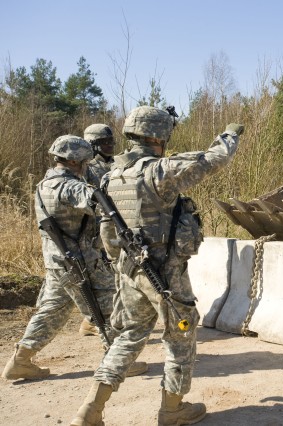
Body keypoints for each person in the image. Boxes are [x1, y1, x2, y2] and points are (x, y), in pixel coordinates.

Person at [70, 106, 243, 426]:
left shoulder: (112, 177)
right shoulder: (160, 171)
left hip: (131, 272)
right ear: (157, 136)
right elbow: (212, 160)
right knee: (182, 332)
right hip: (165, 275)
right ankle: (172, 409)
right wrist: (229, 136)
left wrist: (123, 266)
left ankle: (89, 410)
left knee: (127, 337)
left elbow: (108, 234)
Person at [1, 135, 146, 381]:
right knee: (107, 305)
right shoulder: (70, 186)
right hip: (80, 261)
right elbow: (98, 203)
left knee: (52, 310)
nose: (88, 166)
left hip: (57, 262)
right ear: (76, 161)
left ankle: (21, 360)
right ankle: (118, 361)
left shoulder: (44, 184)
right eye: (86, 162)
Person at [79, 123, 117, 337]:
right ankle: (96, 322)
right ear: (92, 145)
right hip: (94, 232)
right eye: (104, 142)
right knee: (104, 281)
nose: (110, 145)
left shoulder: (114, 164)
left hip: (112, 228)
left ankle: (92, 321)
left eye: (111, 141)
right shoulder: (87, 169)